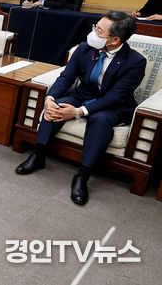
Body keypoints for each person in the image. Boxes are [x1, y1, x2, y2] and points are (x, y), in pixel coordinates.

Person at [15, 11, 146, 205]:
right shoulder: (85, 48)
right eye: (95, 27)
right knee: (55, 107)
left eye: (99, 31)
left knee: (99, 120)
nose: (93, 33)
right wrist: (50, 98)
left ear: (115, 40)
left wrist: (78, 112)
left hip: (113, 105)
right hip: (83, 94)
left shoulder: (135, 62)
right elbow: (67, 76)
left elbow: (115, 97)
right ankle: (38, 155)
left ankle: (82, 177)